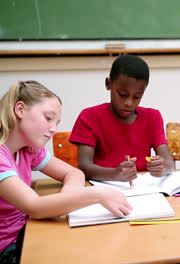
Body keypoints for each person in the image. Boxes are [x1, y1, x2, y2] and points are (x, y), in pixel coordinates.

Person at [0, 81, 131, 263]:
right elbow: (34, 207)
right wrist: (96, 194)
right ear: (20, 110)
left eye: (56, 122)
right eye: (48, 118)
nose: (53, 129)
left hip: (28, 232)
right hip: (7, 248)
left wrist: (68, 197)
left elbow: (74, 173)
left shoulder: (28, 149)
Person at [70, 55, 174, 181]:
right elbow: (84, 166)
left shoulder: (152, 117)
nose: (129, 103)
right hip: (103, 188)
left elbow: (169, 162)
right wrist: (114, 174)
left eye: (137, 96)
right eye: (123, 94)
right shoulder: (90, 117)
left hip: (142, 189)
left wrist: (164, 167)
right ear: (108, 84)